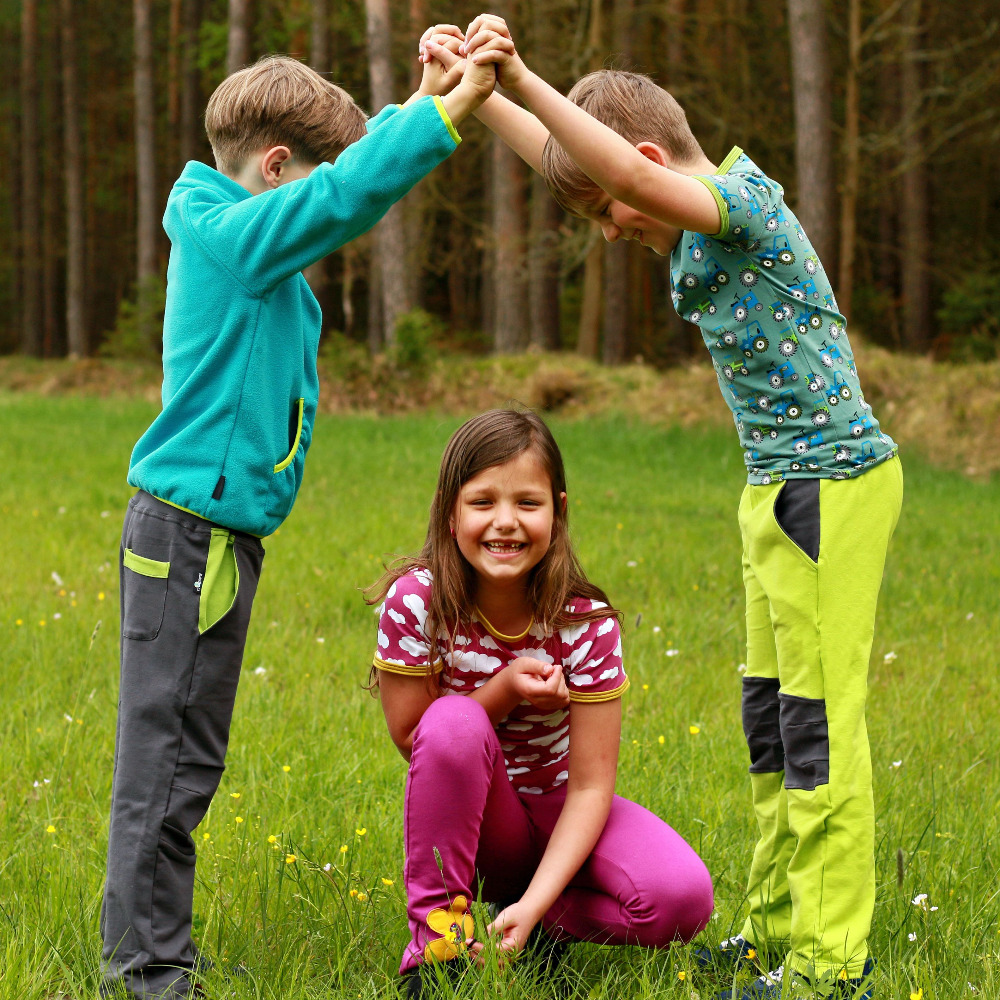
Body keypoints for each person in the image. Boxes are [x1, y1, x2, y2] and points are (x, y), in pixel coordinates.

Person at [420, 17, 903, 1000]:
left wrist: (523, 70)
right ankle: (775, 934)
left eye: (608, 207)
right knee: (770, 725)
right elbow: (589, 170)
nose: (611, 230)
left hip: (830, 488)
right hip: (774, 488)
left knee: (817, 732)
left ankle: (827, 965)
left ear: (641, 159)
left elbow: (633, 184)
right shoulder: (682, 209)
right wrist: (472, 93)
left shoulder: (737, 204)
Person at [100, 51, 497, 1000]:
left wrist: (425, 94)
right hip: (186, 540)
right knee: (163, 763)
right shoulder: (225, 234)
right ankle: (144, 972)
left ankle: (160, 953)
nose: (323, 218)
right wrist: (444, 116)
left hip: (210, 540)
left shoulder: (237, 243)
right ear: (274, 167)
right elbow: (344, 199)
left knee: (188, 755)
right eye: (311, 183)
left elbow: (338, 189)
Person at [368, 408, 713, 998]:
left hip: (561, 812)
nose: (506, 523)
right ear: (450, 513)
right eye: (483, 503)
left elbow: (589, 788)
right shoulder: (417, 600)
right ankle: (438, 948)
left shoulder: (587, 621)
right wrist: (502, 690)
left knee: (681, 899)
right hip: (475, 827)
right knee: (453, 720)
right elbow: (413, 735)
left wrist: (535, 903)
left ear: (558, 511)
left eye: (528, 503)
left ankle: (532, 927)